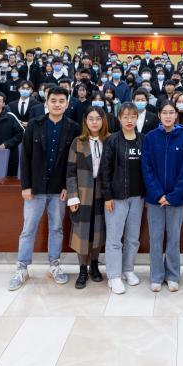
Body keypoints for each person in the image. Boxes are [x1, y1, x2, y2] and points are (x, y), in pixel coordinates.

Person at [10, 86, 77, 291]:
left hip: (59, 189)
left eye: (61, 101)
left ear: (67, 104)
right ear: (46, 102)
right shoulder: (34, 124)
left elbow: (73, 161)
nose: (57, 104)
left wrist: (68, 186)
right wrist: (26, 185)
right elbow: (25, 156)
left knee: (56, 228)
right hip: (35, 188)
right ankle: (22, 268)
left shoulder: (73, 127)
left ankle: (54, 265)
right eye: (53, 100)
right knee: (28, 229)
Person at [142, 99, 183, 293]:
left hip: (176, 199)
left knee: (173, 239)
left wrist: (173, 195)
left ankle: (172, 275)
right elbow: (146, 168)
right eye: (165, 113)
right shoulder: (150, 137)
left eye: (171, 112)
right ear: (159, 115)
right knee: (155, 238)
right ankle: (156, 275)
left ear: (176, 115)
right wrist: (158, 194)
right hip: (155, 199)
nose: (168, 116)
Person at [98, 102, 145, 295]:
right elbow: (105, 170)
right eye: (125, 116)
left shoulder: (143, 140)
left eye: (133, 116)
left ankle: (128, 270)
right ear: (119, 118)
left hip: (137, 197)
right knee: (114, 238)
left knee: (133, 238)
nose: (129, 120)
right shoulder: (112, 140)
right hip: (116, 198)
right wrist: (107, 196)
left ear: (137, 118)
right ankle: (114, 275)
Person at [66, 106, 109, 289]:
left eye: (98, 118)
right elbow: (70, 172)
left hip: (103, 193)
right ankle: (82, 269)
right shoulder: (78, 142)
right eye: (91, 119)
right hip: (83, 193)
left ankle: (94, 265)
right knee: (82, 232)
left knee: (98, 231)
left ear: (103, 121)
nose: (94, 122)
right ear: (85, 121)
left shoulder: (109, 140)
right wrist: (73, 196)